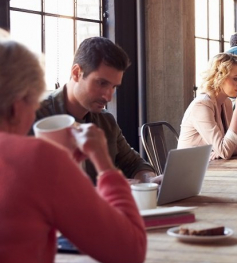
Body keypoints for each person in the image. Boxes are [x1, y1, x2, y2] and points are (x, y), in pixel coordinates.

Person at [0, 36, 146, 263]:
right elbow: (132, 250)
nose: (108, 95)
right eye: (33, 103)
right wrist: (106, 167)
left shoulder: (104, 121)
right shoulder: (37, 156)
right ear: (18, 105)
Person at [35, 37, 157, 184]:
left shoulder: (107, 121)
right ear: (76, 73)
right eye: (102, 83)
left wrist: (150, 181)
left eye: (114, 87)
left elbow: (134, 164)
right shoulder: (35, 116)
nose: (108, 97)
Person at [178, 53, 237, 160]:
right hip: (190, 172)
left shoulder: (226, 103)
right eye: (235, 79)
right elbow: (225, 152)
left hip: (210, 167)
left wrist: (227, 150)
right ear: (219, 77)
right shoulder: (201, 105)